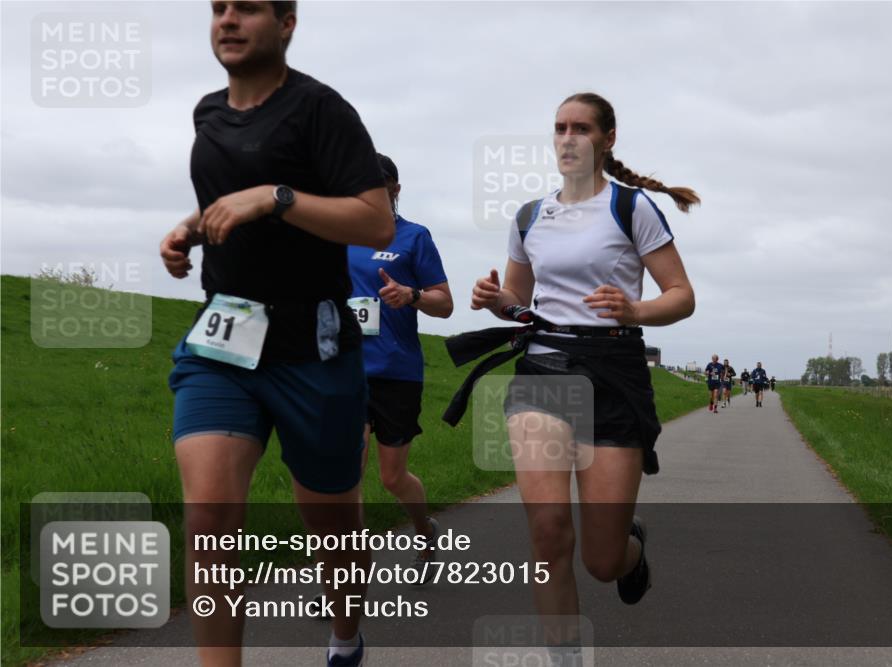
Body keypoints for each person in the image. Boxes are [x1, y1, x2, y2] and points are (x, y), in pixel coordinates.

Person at [158, 3, 393, 665]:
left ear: (287, 23)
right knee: (208, 517)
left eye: (248, 8)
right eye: (217, 8)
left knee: (332, 525)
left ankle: (346, 635)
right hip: (225, 334)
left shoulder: (321, 109)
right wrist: (192, 227)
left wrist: (277, 197)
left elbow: (375, 222)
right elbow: (229, 197)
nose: (228, 20)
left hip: (310, 342)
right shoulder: (209, 111)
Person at [445, 92, 697, 659]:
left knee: (601, 561)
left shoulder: (631, 209)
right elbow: (522, 303)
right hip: (544, 370)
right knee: (549, 531)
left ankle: (630, 550)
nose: (567, 137)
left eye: (580, 127)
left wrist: (635, 310)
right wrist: (496, 301)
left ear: (607, 139)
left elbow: (682, 297)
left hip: (614, 371)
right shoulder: (530, 215)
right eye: (559, 127)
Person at [347, 153, 453, 582]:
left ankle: (426, 531)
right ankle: (343, 577)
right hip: (345, 371)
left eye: (376, 186)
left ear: (394, 189)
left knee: (393, 477)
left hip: (397, 371)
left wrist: (411, 296)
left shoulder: (414, 237)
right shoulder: (337, 236)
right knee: (343, 476)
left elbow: (444, 304)